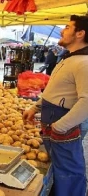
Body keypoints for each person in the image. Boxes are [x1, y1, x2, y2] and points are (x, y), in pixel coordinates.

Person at [23, 15, 88, 196]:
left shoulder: (84, 63)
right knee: (59, 166)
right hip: (53, 120)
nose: (61, 30)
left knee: (69, 171)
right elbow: (54, 91)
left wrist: (61, 126)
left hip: (64, 122)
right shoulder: (69, 59)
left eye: (67, 27)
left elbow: (86, 101)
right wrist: (35, 108)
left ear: (80, 33)